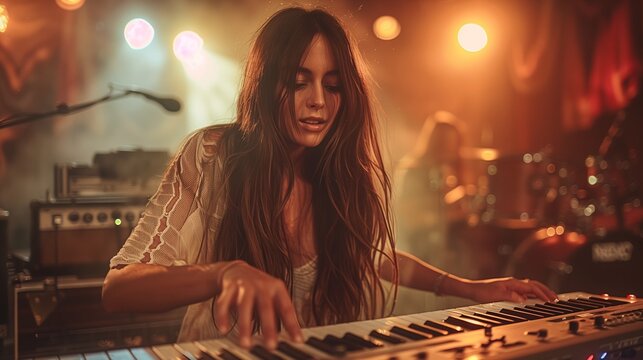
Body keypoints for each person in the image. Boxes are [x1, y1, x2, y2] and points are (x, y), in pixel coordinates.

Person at [101, 7, 558, 351]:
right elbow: (119, 289)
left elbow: (372, 255)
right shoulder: (212, 154)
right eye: (299, 82)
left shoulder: (339, 170)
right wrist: (223, 273)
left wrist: (471, 289)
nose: (318, 100)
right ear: (264, 86)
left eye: (332, 84)